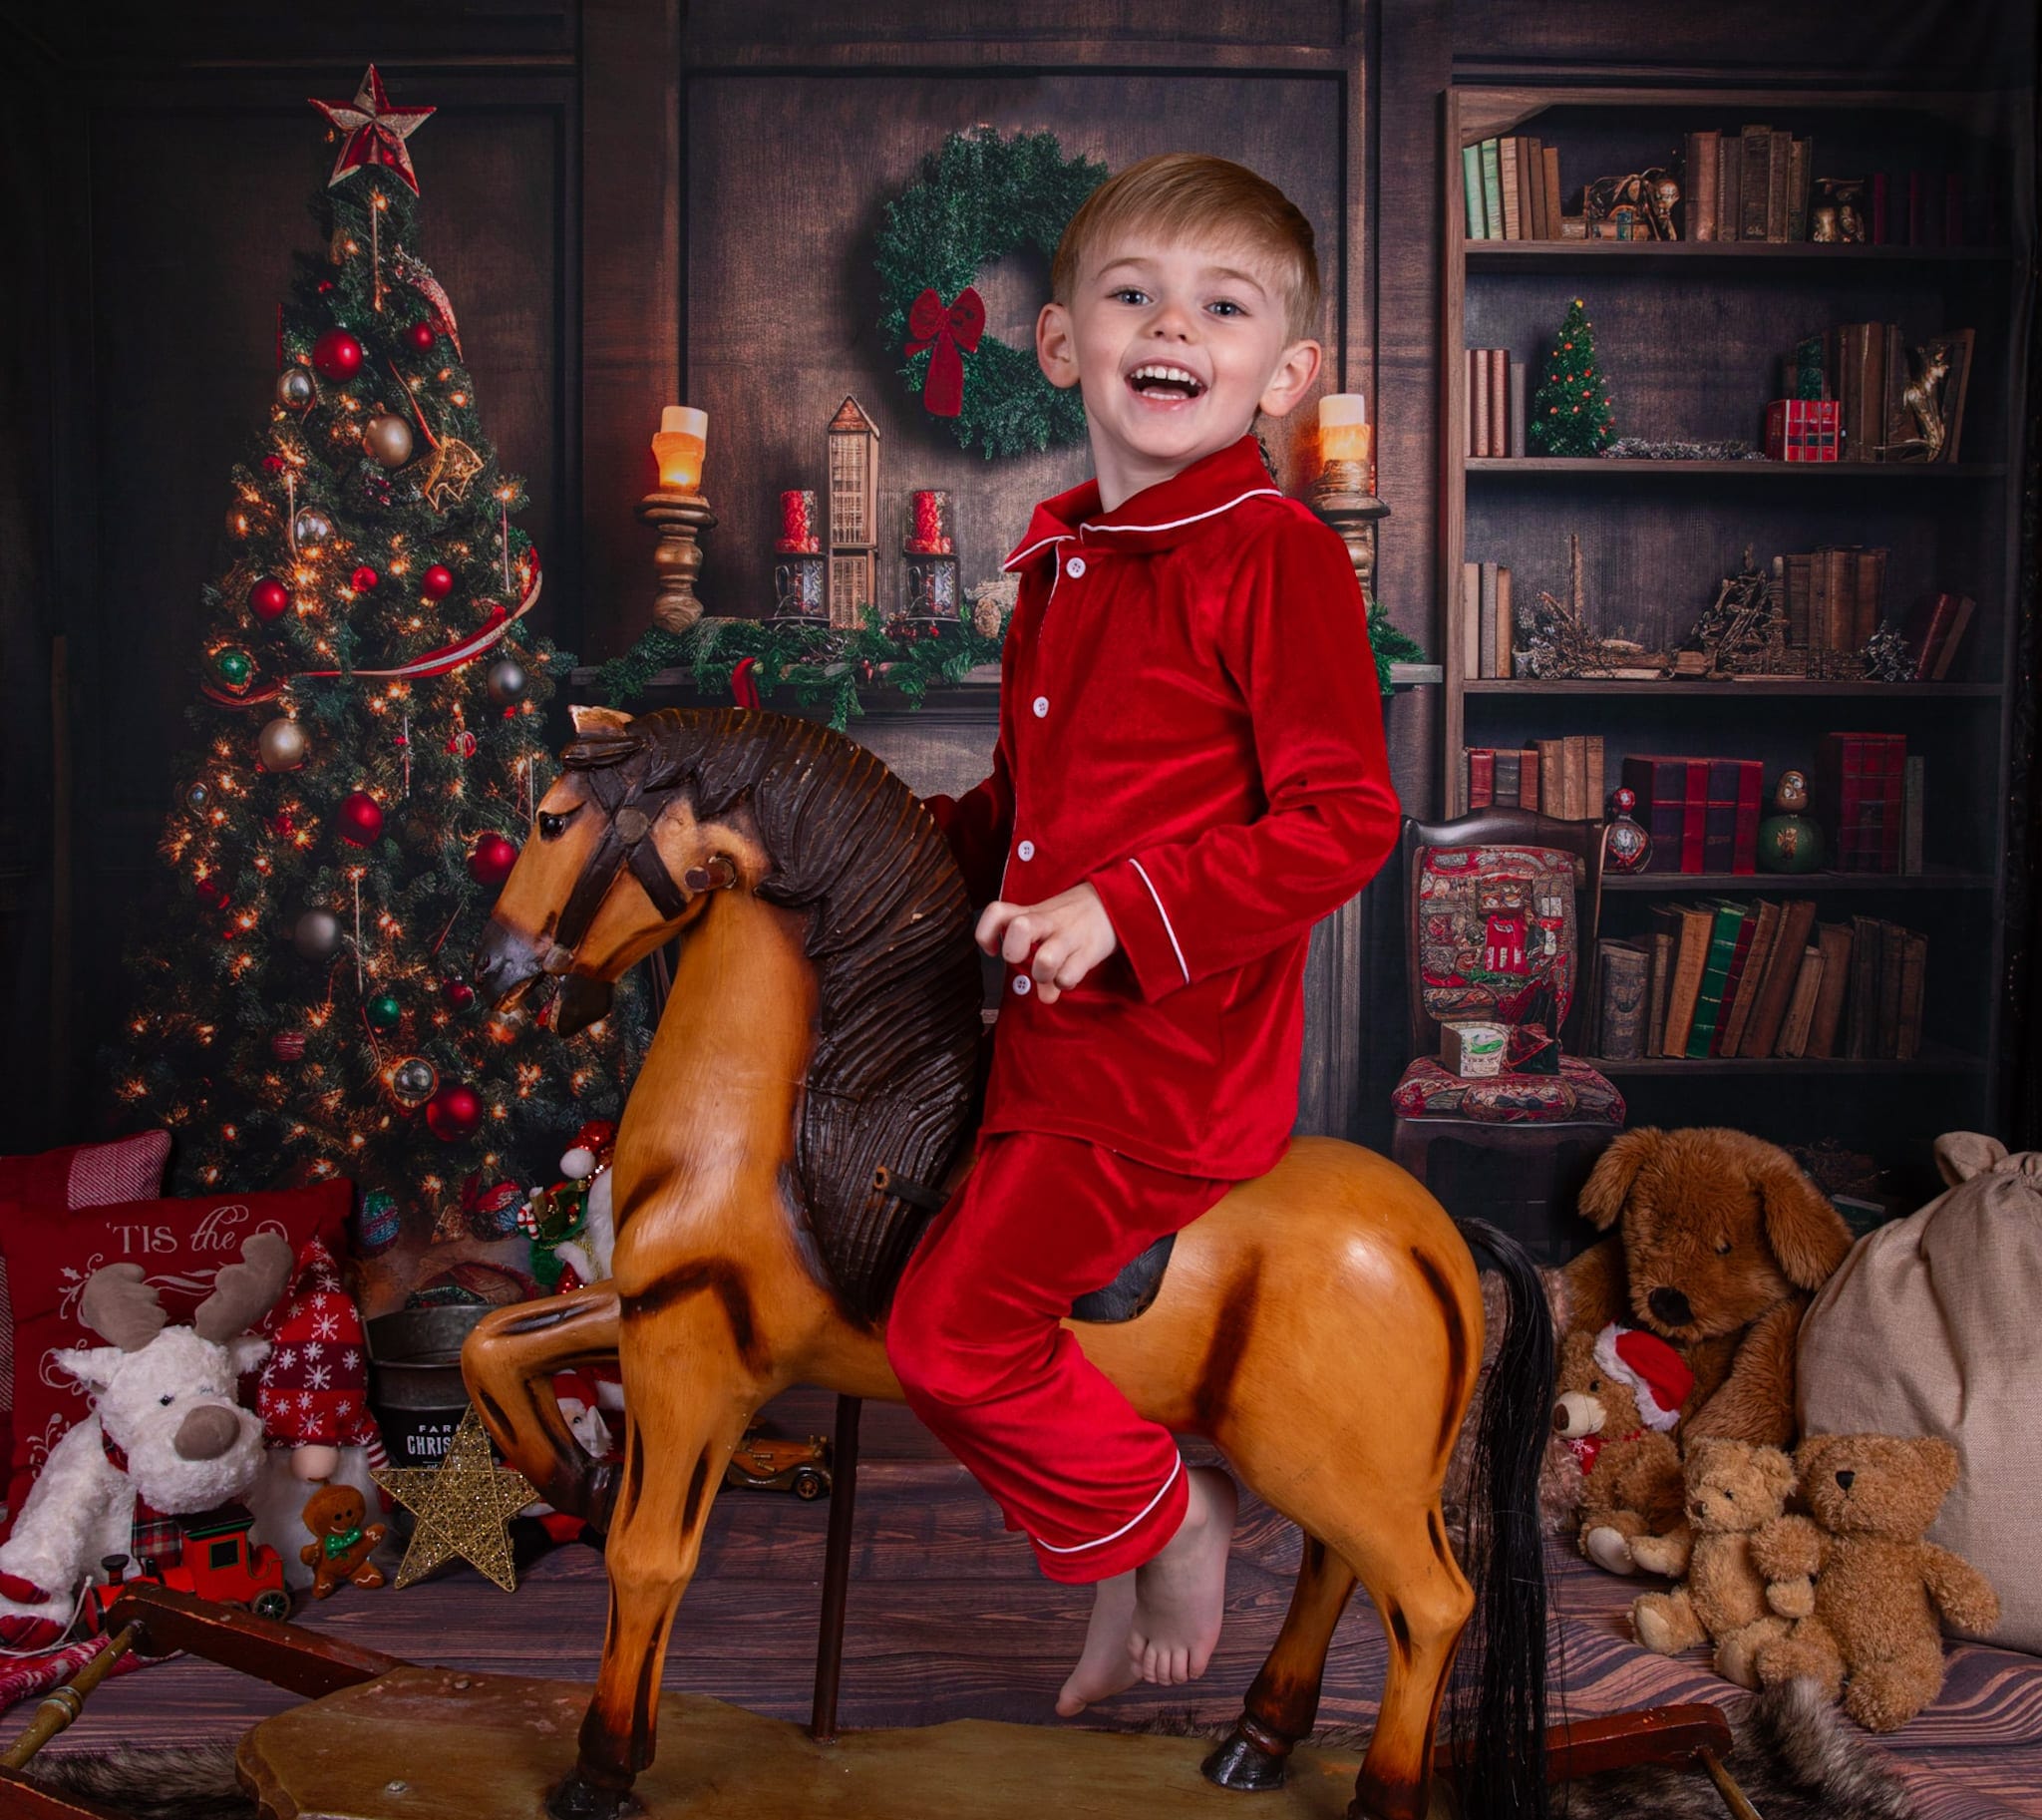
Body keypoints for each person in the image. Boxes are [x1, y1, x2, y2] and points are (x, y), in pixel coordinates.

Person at [887, 152, 1402, 1719]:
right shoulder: (1064, 565)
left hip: (1160, 1073)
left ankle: (1171, 1516)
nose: (1172, 326)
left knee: (947, 1336)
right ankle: (1110, 1563)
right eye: (1133, 296)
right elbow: (1029, 800)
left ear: (1286, 372)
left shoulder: (1278, 555)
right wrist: (882, 857)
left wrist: (1121, 912)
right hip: (1045, 1047)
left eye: (1222, 306)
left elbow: (1344, 820)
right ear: (1061, 344)